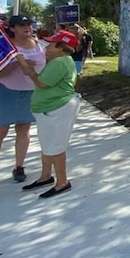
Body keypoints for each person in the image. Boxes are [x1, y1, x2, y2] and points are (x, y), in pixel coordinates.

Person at [0, 15, 46, 190]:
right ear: (12, 28)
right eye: (22, 25)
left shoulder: (39, 45)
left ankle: (19, 167)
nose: (27, 27)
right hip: (5, 91)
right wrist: (17, 65)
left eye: (28, 24)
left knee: (24, 129)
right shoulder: (4, 46)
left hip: (30, 92)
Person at [19, 29, 80, 198]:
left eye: (51, 45)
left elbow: (43, 84)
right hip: (51, 109)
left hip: (57, 109)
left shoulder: (60, 62)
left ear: (61, 47)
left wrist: (29, 71)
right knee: (48, 145)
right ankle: (45, 176)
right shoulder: (59, 61)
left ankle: (62, 182)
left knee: (56, 146)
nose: (46, 48)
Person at [70, 24, 87, 93]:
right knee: (71, 76)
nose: (71, 31)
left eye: (73, 29)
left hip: (77, 59)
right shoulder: (70, 38)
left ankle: (78, 92)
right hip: (70, 59)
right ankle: (72, 91)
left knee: (77, 75)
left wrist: (79, 39)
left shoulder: (82, 39)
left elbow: (77, 49)